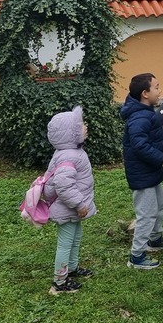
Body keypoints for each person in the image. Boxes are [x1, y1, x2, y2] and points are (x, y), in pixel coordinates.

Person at [120, 73, 163, 270]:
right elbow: (139, 145)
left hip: (149, 173)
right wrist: (161, 158)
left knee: (160, 204)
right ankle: (136, 256)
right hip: (142, 174)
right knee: (146, 213)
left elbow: (149, 134)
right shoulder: (138, 117)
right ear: (145, 93)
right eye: (156, 87)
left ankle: (154, 239)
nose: (159, 91)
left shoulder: (146, 112)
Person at [44, 105, 97, 295]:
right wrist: (79, 204)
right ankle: (59, 281)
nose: (85, 126)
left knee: (75, 238)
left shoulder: (70, 152)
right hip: (68, 208)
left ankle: (72, 268)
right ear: (70, 133)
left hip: (72, 209)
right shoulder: (69, 155)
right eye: (80, 125)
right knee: (65, 243)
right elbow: (63, 185)